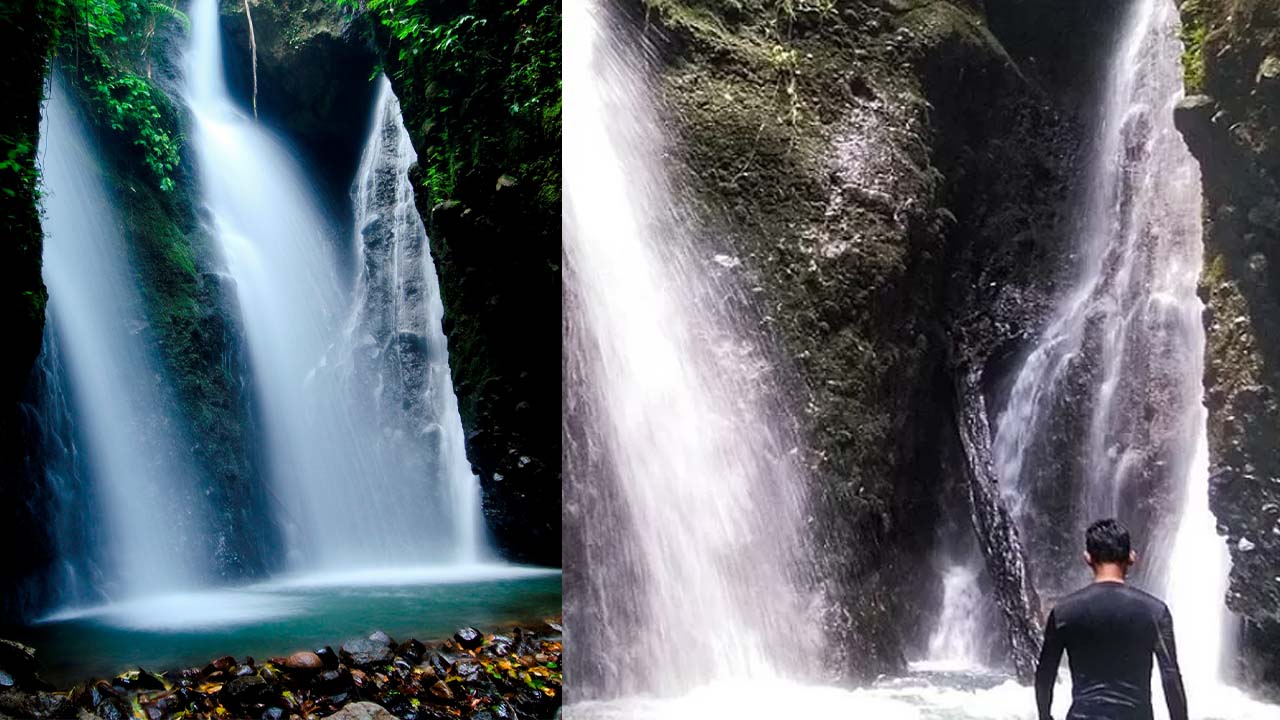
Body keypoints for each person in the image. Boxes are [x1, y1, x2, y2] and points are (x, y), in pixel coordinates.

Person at [1034, 518, 1188, 720]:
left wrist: (1045, 716)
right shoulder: (1155, 612)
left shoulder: (1064, 612)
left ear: (1087, 558)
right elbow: (1171, 677)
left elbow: (1045, 674)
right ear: (1132, 557)